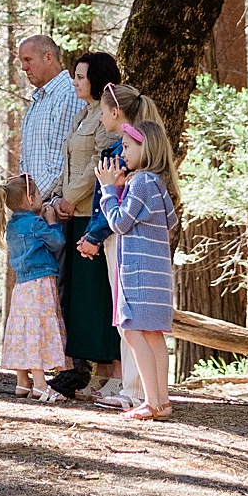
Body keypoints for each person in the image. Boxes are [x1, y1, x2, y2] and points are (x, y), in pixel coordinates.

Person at [50, 51, 124, 403]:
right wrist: (58, 199)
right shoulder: (82, 114)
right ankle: (95, 375)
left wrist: (69, 197)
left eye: (81, 76)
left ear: (97, 78)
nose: (75, 82)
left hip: (93, 215)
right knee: (83, 300)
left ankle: (116, 375)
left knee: (100, 297)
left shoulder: (107, 118)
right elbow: (70, 162)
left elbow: (98, 166)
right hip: (73, 214)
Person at [97, 111, 179, 420]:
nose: (122, 152)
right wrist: (120, 189)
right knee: (153, 336)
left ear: (146, 149)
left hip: (140, 273)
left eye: (128, 147)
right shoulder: (153, 183)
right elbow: (167, 219)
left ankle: (151, 402)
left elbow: (119, 223)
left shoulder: (142, 181)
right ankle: (162, 401)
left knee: (132, 333)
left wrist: (108, 190)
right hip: (156, 274)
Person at [0, 173, 68, 401]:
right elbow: (57, 242)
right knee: (38, 329)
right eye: (38, 194)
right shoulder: (36, 224)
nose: (40, 198)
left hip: (22, 286)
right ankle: (40, 384)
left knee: (23, 329)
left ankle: (22, 382)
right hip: (40, 284)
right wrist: (52, 222)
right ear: (30, 198)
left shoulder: (13, 225)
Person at [15, 34, 78, 202]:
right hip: (38, 207)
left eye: (28, 60)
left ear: (48, 57)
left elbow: (60, 164)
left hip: (56, 208)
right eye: (22, 61)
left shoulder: (67, 94)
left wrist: (31, 202)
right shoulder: (39, 100)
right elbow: (26, 162)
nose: (24, 68)